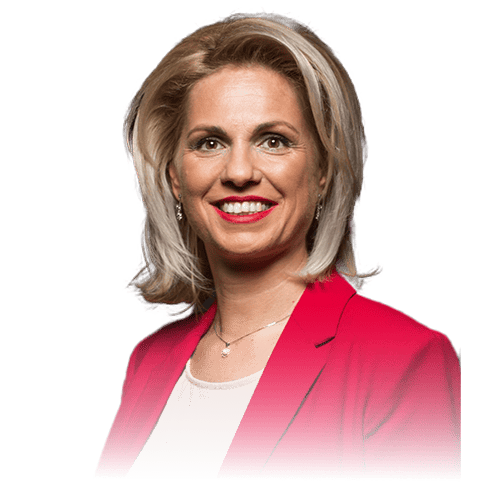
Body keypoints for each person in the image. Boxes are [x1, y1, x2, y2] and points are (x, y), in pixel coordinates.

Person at [94, 10, 461, 479]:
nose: (239, 172)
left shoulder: (402, 357)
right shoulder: (148, 362)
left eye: (273, 140)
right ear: (175, 177)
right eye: (209, 143)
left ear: (324, 170)